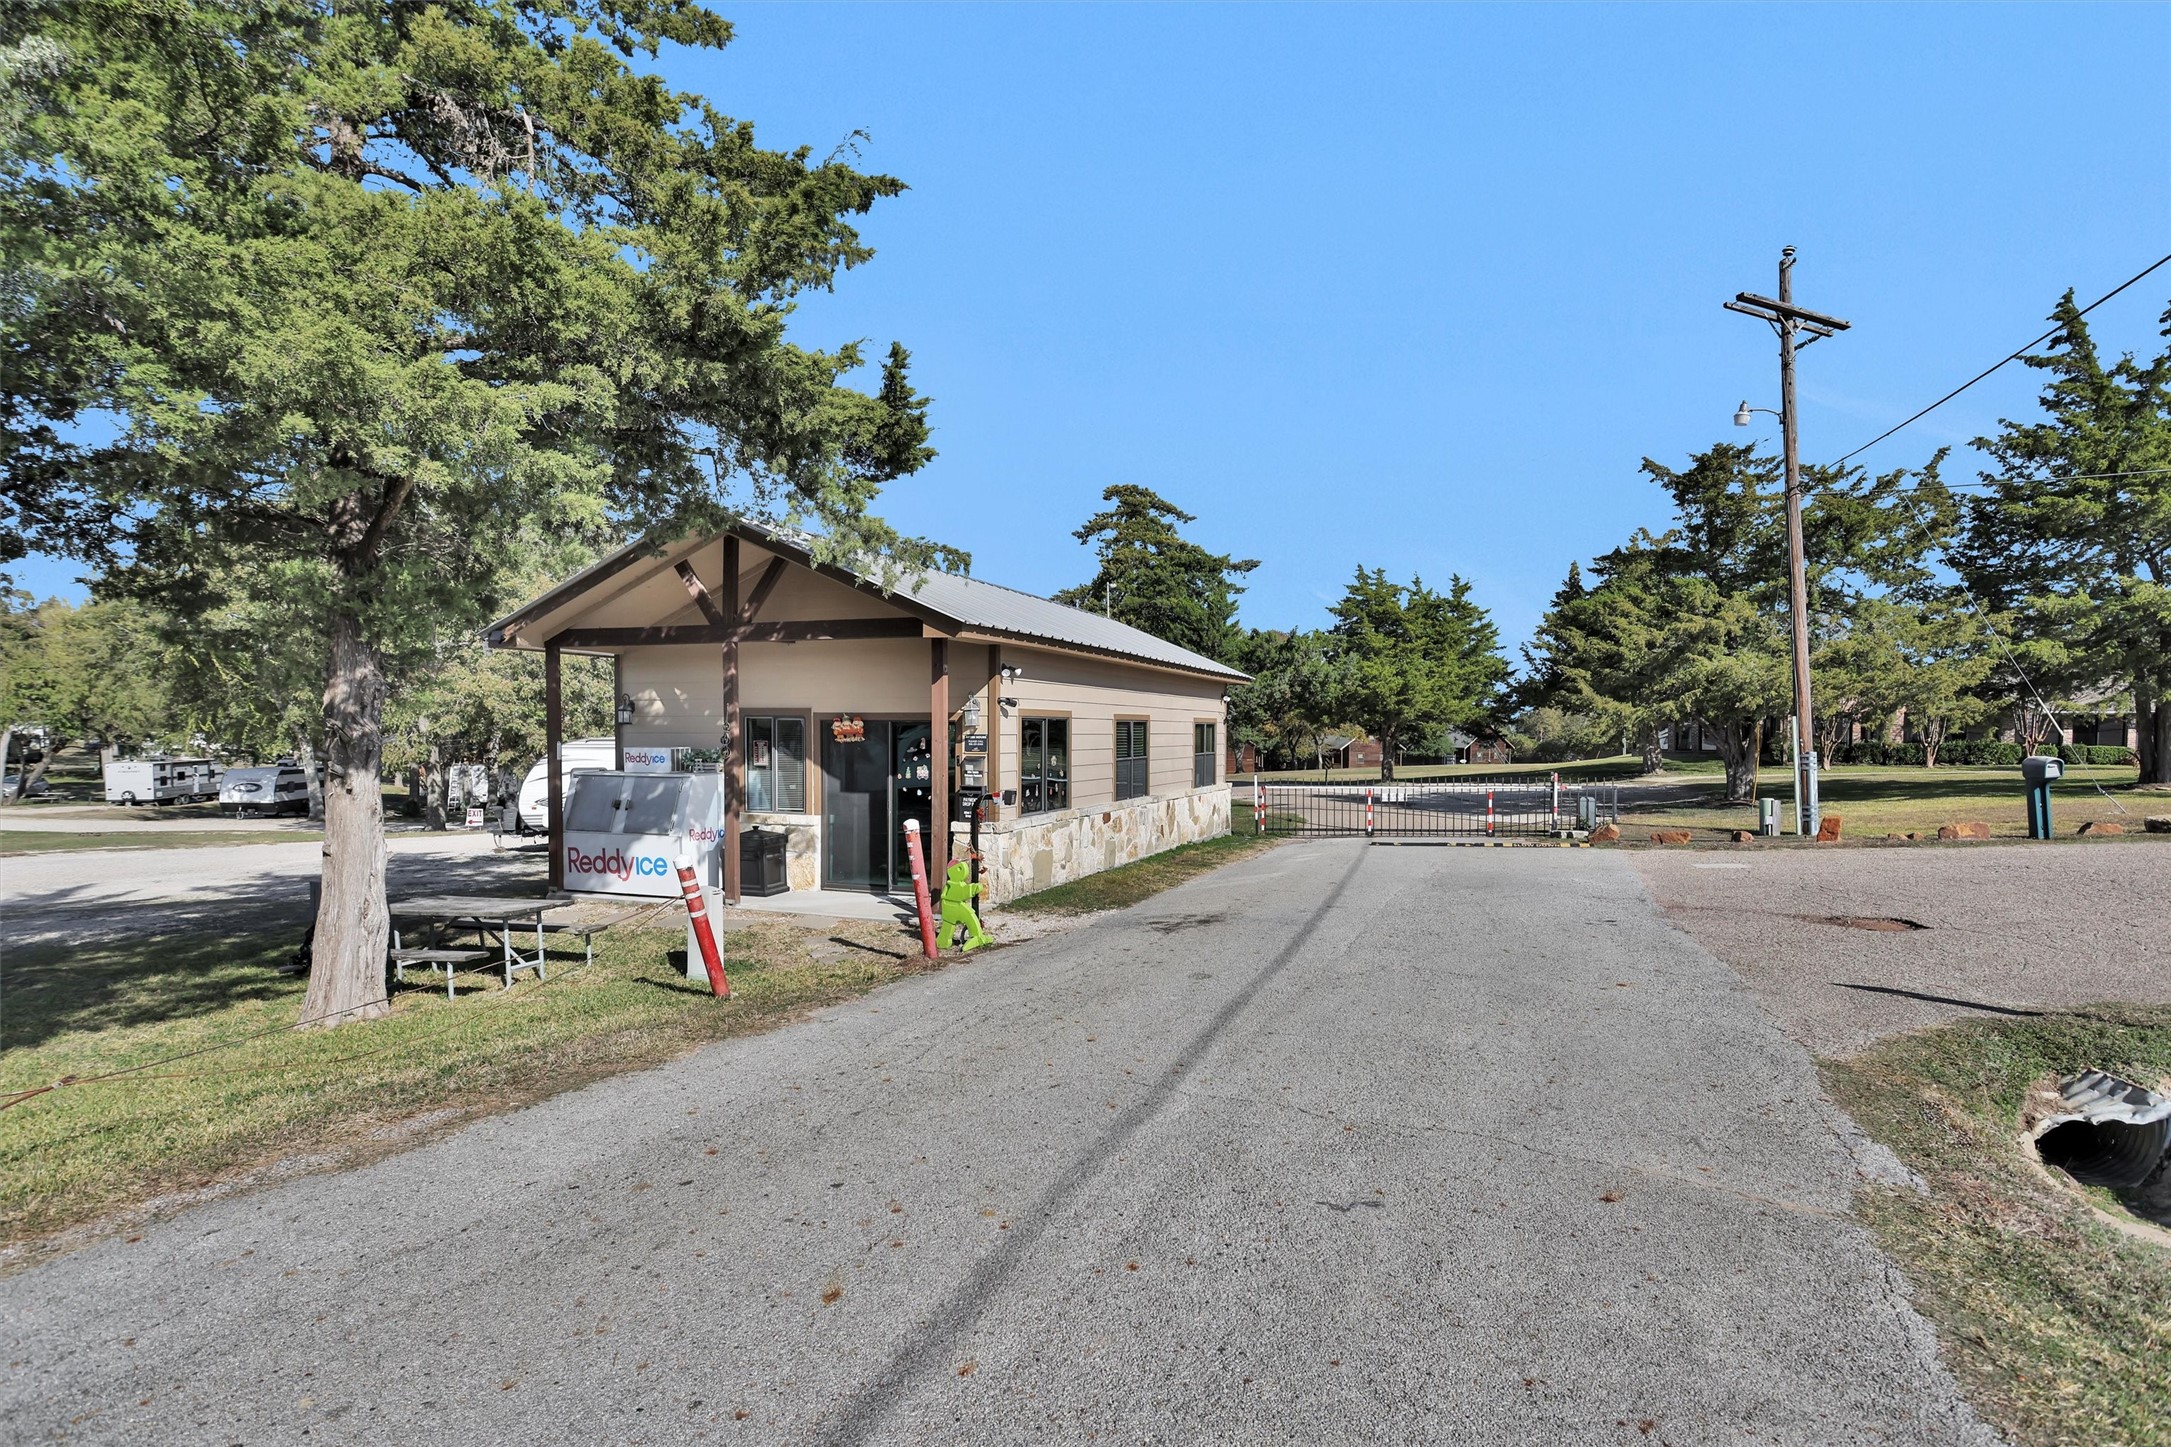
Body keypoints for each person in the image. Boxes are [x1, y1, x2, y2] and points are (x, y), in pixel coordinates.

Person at [939, 856, 990, 952]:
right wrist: (975, 888)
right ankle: (976, 937)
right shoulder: (955, 885)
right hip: (955, 906)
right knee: (970, 917)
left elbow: (947, 894)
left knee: (948, 925)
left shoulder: (949, 884)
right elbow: (964, 892)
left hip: (949, 906)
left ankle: (943, 941)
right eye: (960, 868)